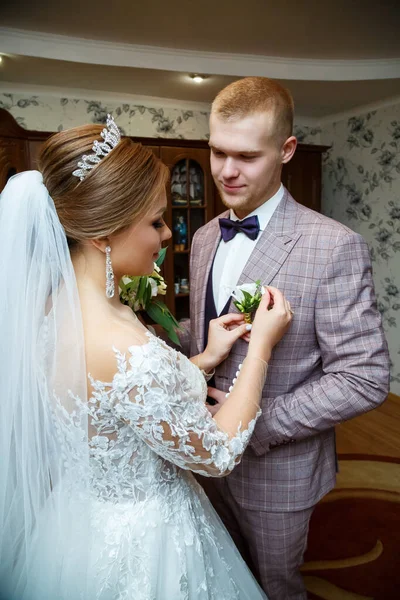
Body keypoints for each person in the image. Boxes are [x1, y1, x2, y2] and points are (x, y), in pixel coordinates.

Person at [0, 115, 293, 600]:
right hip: (145, 541)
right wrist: (260, 345)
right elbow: (216, 453)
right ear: (101, 236)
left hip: (77, 522)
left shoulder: (54, 310)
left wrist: (202, 358)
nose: (167, 235)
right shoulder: (121, 344)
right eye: (155, 221)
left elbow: (116, 401)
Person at [179, 77, 390, 599]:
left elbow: (365, 377)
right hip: (204, 458)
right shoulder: (205, 236)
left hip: (278, 470)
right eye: (217, 152)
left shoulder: (334, 246)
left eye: (247, 156)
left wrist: (258, 422)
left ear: (287, 150)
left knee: (276, 587)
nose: (227, 172)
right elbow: (206, 327)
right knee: (219, 576)